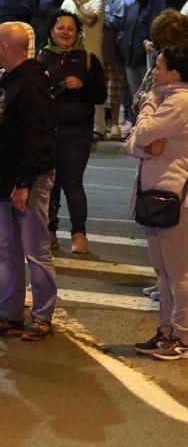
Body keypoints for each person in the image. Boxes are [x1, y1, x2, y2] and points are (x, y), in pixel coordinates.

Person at [0, 22, 58, 342]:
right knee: (6, 250)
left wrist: (25, 182)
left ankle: (41, 317)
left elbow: (39, 136)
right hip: (2, 178)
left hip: (25, 181)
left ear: (6, 47)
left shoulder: (31, 83)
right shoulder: (8, 80)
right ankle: (8, 315)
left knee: (35, 251)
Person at [128, 45, 188, 360]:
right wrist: (145, 149)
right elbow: (133, 143)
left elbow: (145, 130)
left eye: (159, 66)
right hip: (156, 195)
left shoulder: (179, 101)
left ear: (174, 73)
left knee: (179, 273)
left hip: (176, 198)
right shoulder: (168, 100)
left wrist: (149, 103)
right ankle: (166, 331)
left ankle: (182, 336)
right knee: (163, 272)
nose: (154, 72)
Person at [40, 11, 107, 256]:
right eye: (60, 28)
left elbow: (100, 95)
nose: (65, 32)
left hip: (78, 131)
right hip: (48, 130)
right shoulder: (40, 58)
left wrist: (82, 87)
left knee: (72, 182)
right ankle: (50, 230)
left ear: (77, 32)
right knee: (49, 184)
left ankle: (79, 233)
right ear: (51, 31)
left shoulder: (88, 59)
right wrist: (58, 88)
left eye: (70, 28)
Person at [120, 0, 167, 134]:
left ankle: (149, 127)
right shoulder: (132, 4)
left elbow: (153, 28)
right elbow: (124, 28)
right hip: (130, 57)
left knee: (150, 94)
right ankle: (135, 124)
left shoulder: (157, 4)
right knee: (135, 94)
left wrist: (147, 41)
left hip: (147, 58)